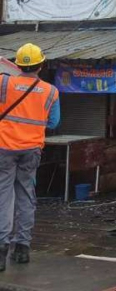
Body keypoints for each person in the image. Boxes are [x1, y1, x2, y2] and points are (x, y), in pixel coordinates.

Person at [0, 43, 60, 271]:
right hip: (31, 150)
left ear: (17, 64)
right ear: (41, 65)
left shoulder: (4, 82)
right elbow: (53, 123)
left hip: (4, 148)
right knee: (26, 196)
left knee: (3, 197)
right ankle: (22, 249)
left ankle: (1, 250)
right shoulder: (51, 91)